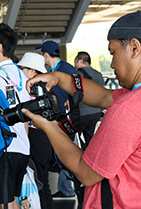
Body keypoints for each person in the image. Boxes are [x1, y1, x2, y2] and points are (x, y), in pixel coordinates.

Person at [23, 10, 141, 208]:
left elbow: (85, 172)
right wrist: (60, 78)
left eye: (113, 52)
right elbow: (104, 96)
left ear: (134, 47)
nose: (112, 63)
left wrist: (49, 127)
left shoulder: (130, 108)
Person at [0, 23, 31, 209]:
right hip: (22, 147)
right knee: (11, 200)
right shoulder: (21, 75)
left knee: (2, 203)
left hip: (4, 150)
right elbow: (26, 117)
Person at [36, 40, 78, 198]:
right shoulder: (59, 69)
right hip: (60, 120)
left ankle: (70, 189)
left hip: (66, 120)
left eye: (42, 54)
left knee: (66, 153)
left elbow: (78, 90)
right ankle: (66, 188)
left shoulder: (64, 70)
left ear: (46, 55)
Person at [17, 52, 54, 209]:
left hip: (35, 139)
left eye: (22, 68)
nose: (20, 71)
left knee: (38, 181)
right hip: (45, 139)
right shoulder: (44, 91)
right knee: (42, 182)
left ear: (32, 71)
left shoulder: (28, 91)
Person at [74, 51, 105, 150]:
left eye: (75, 61)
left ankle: (83, 154)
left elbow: (74, 93)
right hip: (96, 112)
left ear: (80, 61)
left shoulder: (78, 74)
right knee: (89, 136)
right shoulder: (98, 74)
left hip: (82, 113)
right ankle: (91, 154)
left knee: (76, 137)